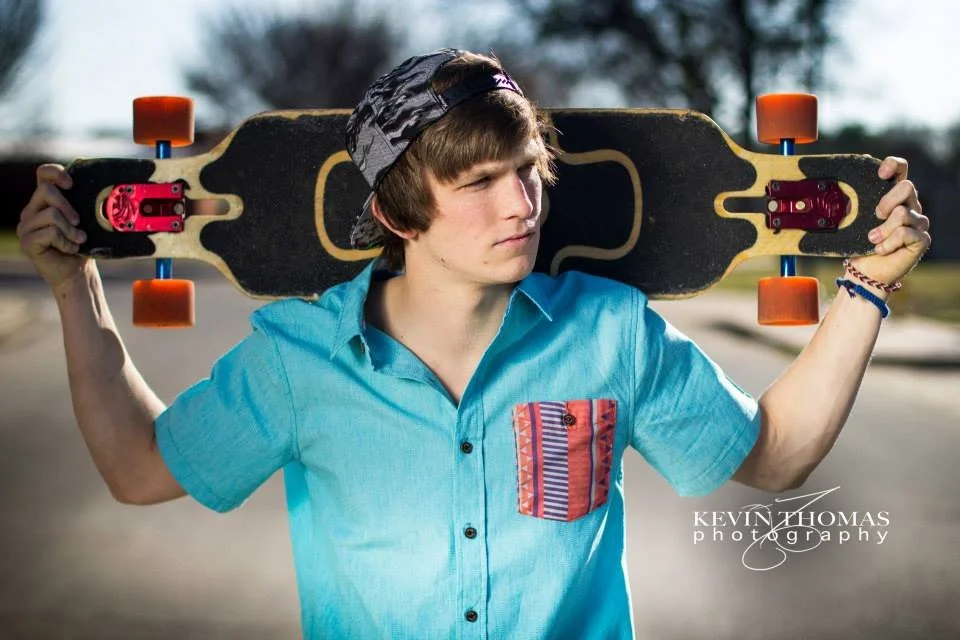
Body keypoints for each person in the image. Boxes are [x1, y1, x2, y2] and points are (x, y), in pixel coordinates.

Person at [16, 49, 931, 638]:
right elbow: (140, 470)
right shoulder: (300, 358)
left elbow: (770, 459)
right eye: (480, 182)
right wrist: (72, 287)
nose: (522, 204)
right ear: (396, 212)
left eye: (529, 171)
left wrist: (864, 292)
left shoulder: (608, 330)